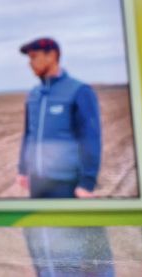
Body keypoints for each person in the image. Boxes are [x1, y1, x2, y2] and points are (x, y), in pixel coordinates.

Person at [16, 37, 102, 199]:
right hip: (36, 181)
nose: (30, 63)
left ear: (52, 55)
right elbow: (28, 134)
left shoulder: (79, 91)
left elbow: (90, 138)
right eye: (29, 58)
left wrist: (87, 183)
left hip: (66, 184)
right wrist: (23, 169)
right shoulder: (34, 94)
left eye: (34, 57)